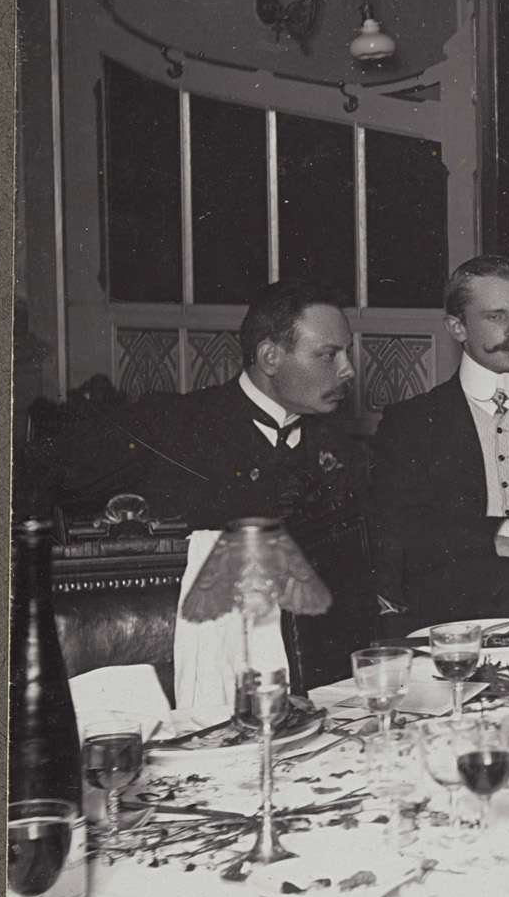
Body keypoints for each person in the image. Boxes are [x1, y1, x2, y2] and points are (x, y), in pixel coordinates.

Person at [33, 280, 375, 679]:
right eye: (329, 355)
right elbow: (41, 480)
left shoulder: (341, 449)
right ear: (269, 357)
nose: (348, 370)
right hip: (189, 669)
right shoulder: (169, 427)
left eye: (346, 354)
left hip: (315, 672)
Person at [370, 256, 509, 628]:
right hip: (459, 600)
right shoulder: (412, 423)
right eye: (496, 317)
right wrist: (493, 540)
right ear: (457, 327)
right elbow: (398, 534)